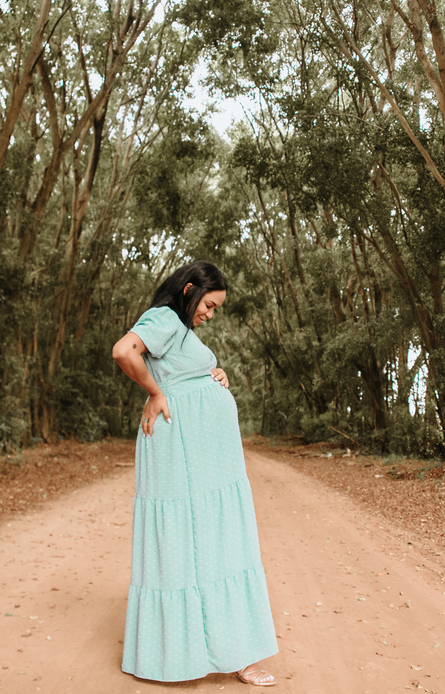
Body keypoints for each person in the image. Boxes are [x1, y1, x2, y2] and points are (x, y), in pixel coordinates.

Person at [111, 261, 279, 686]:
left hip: (204, 454)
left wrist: (212, 373)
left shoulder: (179, 329)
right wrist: (154, 392)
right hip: (181, 447)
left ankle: (232, 650)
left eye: (216, 309)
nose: (210, 313)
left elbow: (178, 369)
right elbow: (123, 351)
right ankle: (189, 655)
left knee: (214, 538)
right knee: (195, 540)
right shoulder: (165, 318)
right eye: (209, 304)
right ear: (188, 290)